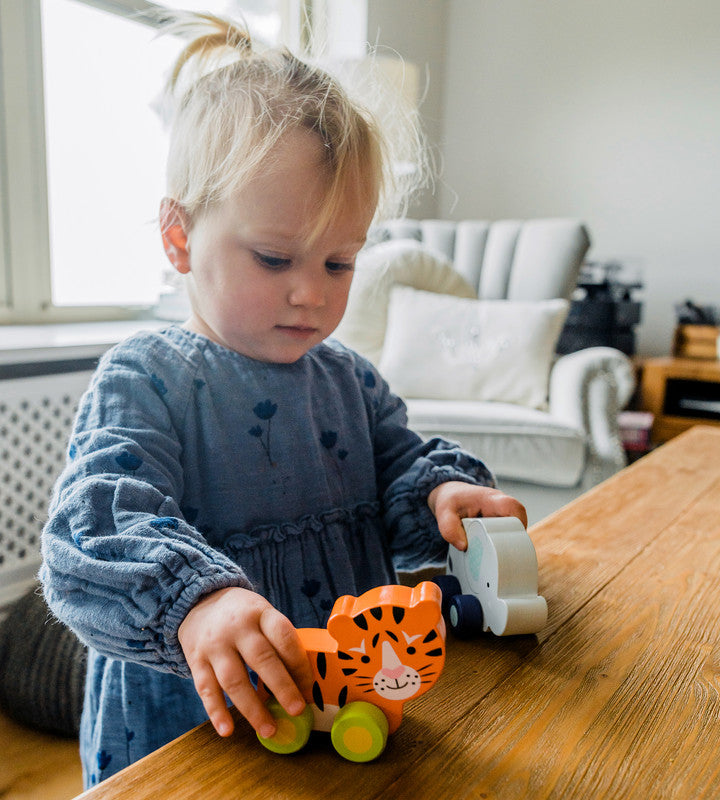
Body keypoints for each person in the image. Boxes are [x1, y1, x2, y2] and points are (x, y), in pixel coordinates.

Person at [39, 12, 526, 788]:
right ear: (178, 238)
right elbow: (94, 529)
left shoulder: (350, 379)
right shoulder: (146, 376)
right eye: (274, 257)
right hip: (198, 730)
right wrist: (195, 604)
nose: (310, 293)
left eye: (340, 262)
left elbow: (405, 466)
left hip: (349, 712)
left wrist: (443, 490)